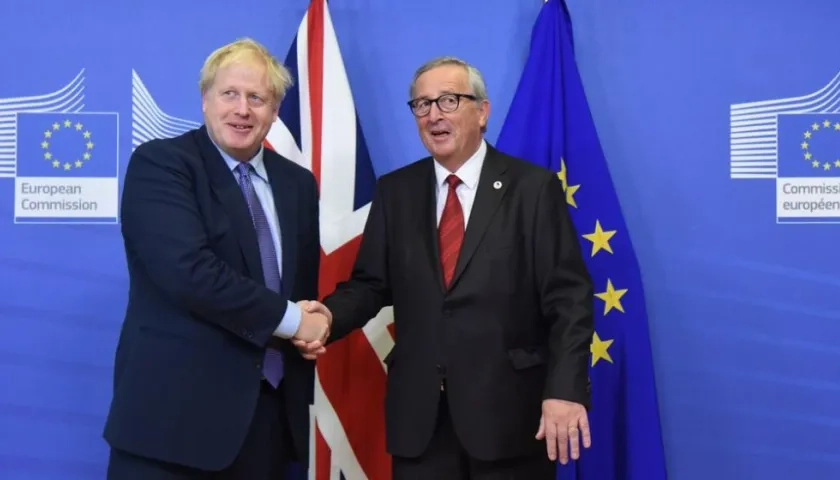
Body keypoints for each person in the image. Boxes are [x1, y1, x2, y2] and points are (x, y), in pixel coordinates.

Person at [297, 56, 595, 479]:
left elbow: (569, 300)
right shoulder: (396, 191)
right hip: (421, 422)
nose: (433, 114)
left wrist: (565, 390)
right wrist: (327, 316)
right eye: (422, 104)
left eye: (449, 101)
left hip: (509, 417)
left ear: (483, 111)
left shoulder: (533, 189)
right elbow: (370, 285)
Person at [102, 38, 329, 480]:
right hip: (173, 430)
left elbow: (299, 287)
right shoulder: (162, 165)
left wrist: (311, 323)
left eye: (257, 98)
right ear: (205, 100)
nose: (242, 109)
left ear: (276, 108)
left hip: (270, 426)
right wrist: (296, 321)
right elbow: (189, 274)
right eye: (229, 94)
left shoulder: (297, 184)